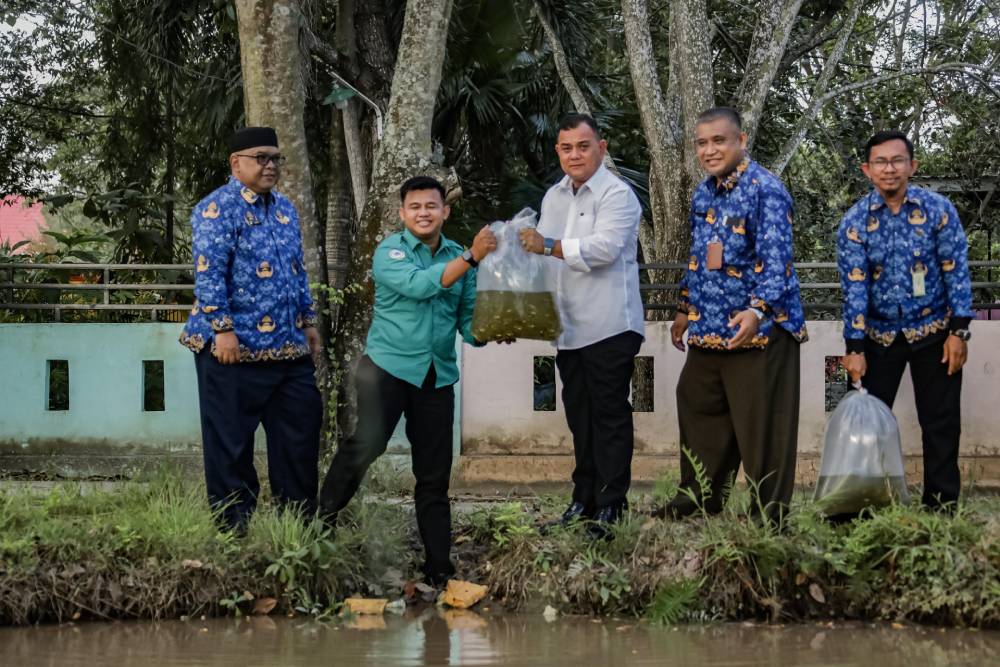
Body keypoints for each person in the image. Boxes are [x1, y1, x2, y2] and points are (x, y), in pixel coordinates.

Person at [319, 176, 497, 585]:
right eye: (414, 207)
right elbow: (421, 287)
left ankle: (438, 568)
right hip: (386, 369)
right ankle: (319, 522)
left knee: (434, 475)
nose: (423, 213)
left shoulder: (458, 257)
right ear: (402, 214)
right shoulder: (390, 251)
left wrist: (488, 332)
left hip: (436, 377)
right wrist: (472, 255)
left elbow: (467, 321)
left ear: (444, 211)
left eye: (431, 206)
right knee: (367, 444)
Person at [659, 107, 808, 524]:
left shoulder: (766, 190)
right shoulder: (704, 193)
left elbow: (778, 262)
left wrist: (758, 310)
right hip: (710, 327)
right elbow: (698, 255)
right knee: (695, 401)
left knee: (761, 426)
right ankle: (700, 496)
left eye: (718, 140)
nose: (709, 150)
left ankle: (768, 514)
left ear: (741, 141)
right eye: (702, 143)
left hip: (758, 331)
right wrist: (684, 308)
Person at [179, 126, 323, 531]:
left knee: (300, 434)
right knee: (230, 443)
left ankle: (296, 522)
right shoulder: (215, 209)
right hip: (231, 349)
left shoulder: (285, 209)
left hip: (288, 348)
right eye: (261, 157)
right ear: (235, 163)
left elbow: (298, 271)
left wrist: (308, 321)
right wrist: (222, 328)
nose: (271, 165)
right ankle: (233, 528)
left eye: (276, 157)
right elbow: (208, 274)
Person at [519, 113, 645, 536]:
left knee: (609, 415)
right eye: (566, 147)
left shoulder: (618, 195)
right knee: (579, 417)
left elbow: (604, 249)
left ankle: (611, 505)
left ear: (601, 148)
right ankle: (583, 500)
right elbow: (539, 253)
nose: (575, 154)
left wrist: (548, 244)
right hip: (568, 329)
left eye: (583, 146)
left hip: (610, 325)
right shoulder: (554, 196)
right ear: (558, 151)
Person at [838, 130, 973, 510]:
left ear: (912, 165)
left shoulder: (938, 211)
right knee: (864, 426)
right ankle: (862, 507)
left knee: (941, 423)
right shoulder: (854, 222)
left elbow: (956, 273)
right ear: (867, 170)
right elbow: (853, 289)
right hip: (878, 339)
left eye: (897, 160)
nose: (889, 168)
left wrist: (959, 332)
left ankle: (941, 505)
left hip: (934, 333)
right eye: (880, 161)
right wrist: (854, 348)